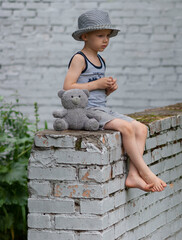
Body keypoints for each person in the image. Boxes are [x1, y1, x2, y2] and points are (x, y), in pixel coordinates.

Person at [63, 9, 166, 192]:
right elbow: (68, 87)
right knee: (126, 128)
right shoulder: (80, 58)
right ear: (85, 36)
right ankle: (146, 172)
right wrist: (97, 83)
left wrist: (107, 90)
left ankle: (133, 176)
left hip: (101, 108)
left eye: (108, 36)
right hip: (86, 111)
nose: (105, 40)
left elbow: (96, 93)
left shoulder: (100, 60)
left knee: (141, 128)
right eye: (100, 35)